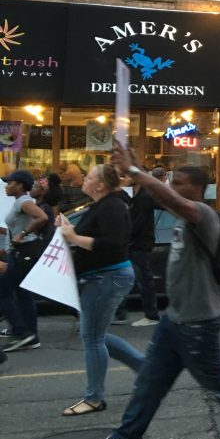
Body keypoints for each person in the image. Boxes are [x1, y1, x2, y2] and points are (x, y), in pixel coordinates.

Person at [75, 142, 220, 439]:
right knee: (149, 384)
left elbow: (170, 199)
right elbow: (162, 197)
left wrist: (134, 171)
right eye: (171, 181)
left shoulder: (203, 215)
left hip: (198, 323)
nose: (172, 187)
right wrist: (137, 168)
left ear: (198, 190)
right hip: (175, 320)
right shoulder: (180, 217)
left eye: (180, 183)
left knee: (219, 385)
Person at [57, 164, 146, 415]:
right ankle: (146, 368)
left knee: (92, 336)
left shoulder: (113, 207)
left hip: (107, 277)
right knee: (94, 333)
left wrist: (72, 237)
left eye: (90, 176)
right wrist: (69, 229)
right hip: (101, 276)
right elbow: (89, 237)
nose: (84, 179)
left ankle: (94, 398)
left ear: (100, 185)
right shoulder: (102, 205)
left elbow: (112, 245)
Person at [0, 171, 51, 353]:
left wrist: (23, 234)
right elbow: (18, 226)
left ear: (20, 185)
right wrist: (8, 235)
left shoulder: (23, 201)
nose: (6, 186)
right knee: (23, 293)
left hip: (24, 254)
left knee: (3, 291)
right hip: (19, 253)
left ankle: (22, 332)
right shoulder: (20, 202)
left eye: (9, 183)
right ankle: (31, 335)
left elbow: (42, 217)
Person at [114, 166, 161, 328]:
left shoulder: (145, 197)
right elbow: (129, 203)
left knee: (144, 280)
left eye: (131, 175)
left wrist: (124, 234)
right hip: (135, 244)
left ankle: (151, 315)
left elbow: (138, 223)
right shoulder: (139, 195)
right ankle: (120, 312)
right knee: (127, 278)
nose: (127, 177)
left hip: (140, 244)